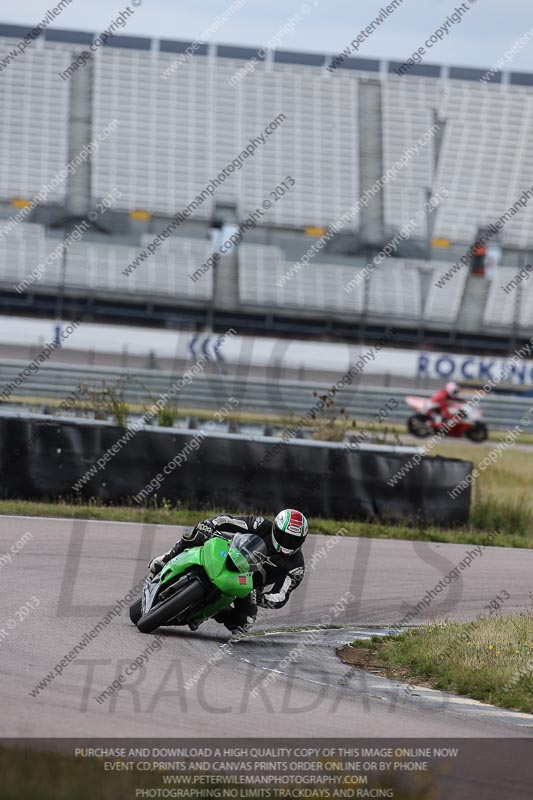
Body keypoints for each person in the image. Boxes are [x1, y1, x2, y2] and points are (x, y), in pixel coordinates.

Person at [148, 509, 308, 635]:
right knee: (197, 532)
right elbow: (229, 520)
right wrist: (211, 524)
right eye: (284, 537)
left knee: (243, 624)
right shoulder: (261, 525)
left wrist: (260, 598)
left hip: (248, 585)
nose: (288, 543)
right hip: (232, 553)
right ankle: (167, 558)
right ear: (275, 528)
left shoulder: (296, 567)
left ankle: (210, 612)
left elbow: (280, 596)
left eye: (294, 540)